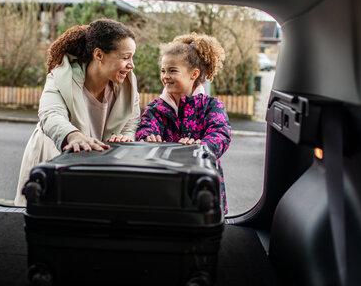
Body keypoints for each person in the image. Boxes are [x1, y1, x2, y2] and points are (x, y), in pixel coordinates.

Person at [14, 19, 141, 206]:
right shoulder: (60, 76)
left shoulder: (128, 83)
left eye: (132, 58)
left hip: (96, 158)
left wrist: (125, 138)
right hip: (55, 151)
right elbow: (50, 114)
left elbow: (131, 121)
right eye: (125, 57)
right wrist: (73, 136)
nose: (131, 65)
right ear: (99, 54)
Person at [135, 33, 231, 214]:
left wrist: (202, 147)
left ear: (193, 74)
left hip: (201, 185)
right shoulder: (157, 107)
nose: (165, 76)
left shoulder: (211, 106)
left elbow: (220, 135)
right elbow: (146, 127)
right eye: (163, 70)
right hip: (165, 182)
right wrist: (148, 137)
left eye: (172, 70)